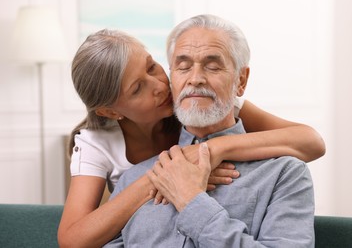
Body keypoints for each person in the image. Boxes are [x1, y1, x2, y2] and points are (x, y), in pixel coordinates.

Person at [58, 25, 323, 247]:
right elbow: (72, 239)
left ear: (240, 81)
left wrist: (210, 155)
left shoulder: (283, 174)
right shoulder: (115, 162)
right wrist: (163, 177)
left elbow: (311, 141)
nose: (161, 87)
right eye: (138, 88)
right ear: (111, 111)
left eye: (152, 67)